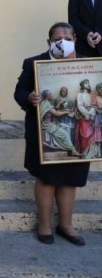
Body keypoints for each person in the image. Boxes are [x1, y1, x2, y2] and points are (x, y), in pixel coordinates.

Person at [14, 22, 89, 246]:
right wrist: (29, 98)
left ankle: (66, 224)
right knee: (47, 179)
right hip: (42, 129)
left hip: (77, 128)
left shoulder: (88, 65)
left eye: (67, 37)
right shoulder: (33, 63)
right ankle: (44, 224)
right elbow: (20, 90)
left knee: (70, 180)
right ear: (49, 42)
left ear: (75, 39)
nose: (63, 42)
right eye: (57, 39)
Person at [39, 90, 78, 156]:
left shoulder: (45, 103)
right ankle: (72, 150)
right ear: (48, 96)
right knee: (65, 134)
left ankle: (69, 149)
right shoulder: (46, 104)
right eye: (50, 94)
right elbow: (56, 113)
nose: (52, 95)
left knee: (66, 127)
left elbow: (55, 110)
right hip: (47, 126)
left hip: (50, 124)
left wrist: (66, 110)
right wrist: (66, 112)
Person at [74, 79, 99, 158]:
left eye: (88, 83)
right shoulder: (79, 94)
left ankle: (91, 153)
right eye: (86, 83)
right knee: (85, 135)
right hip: (84, 116)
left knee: (93, 135)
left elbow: (94, 105)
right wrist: (86, 114)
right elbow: (80, 105)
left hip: (92, 116)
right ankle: (84, 153)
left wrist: (92, 112)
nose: (88, 84)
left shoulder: (90, 94)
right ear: (82, 85)